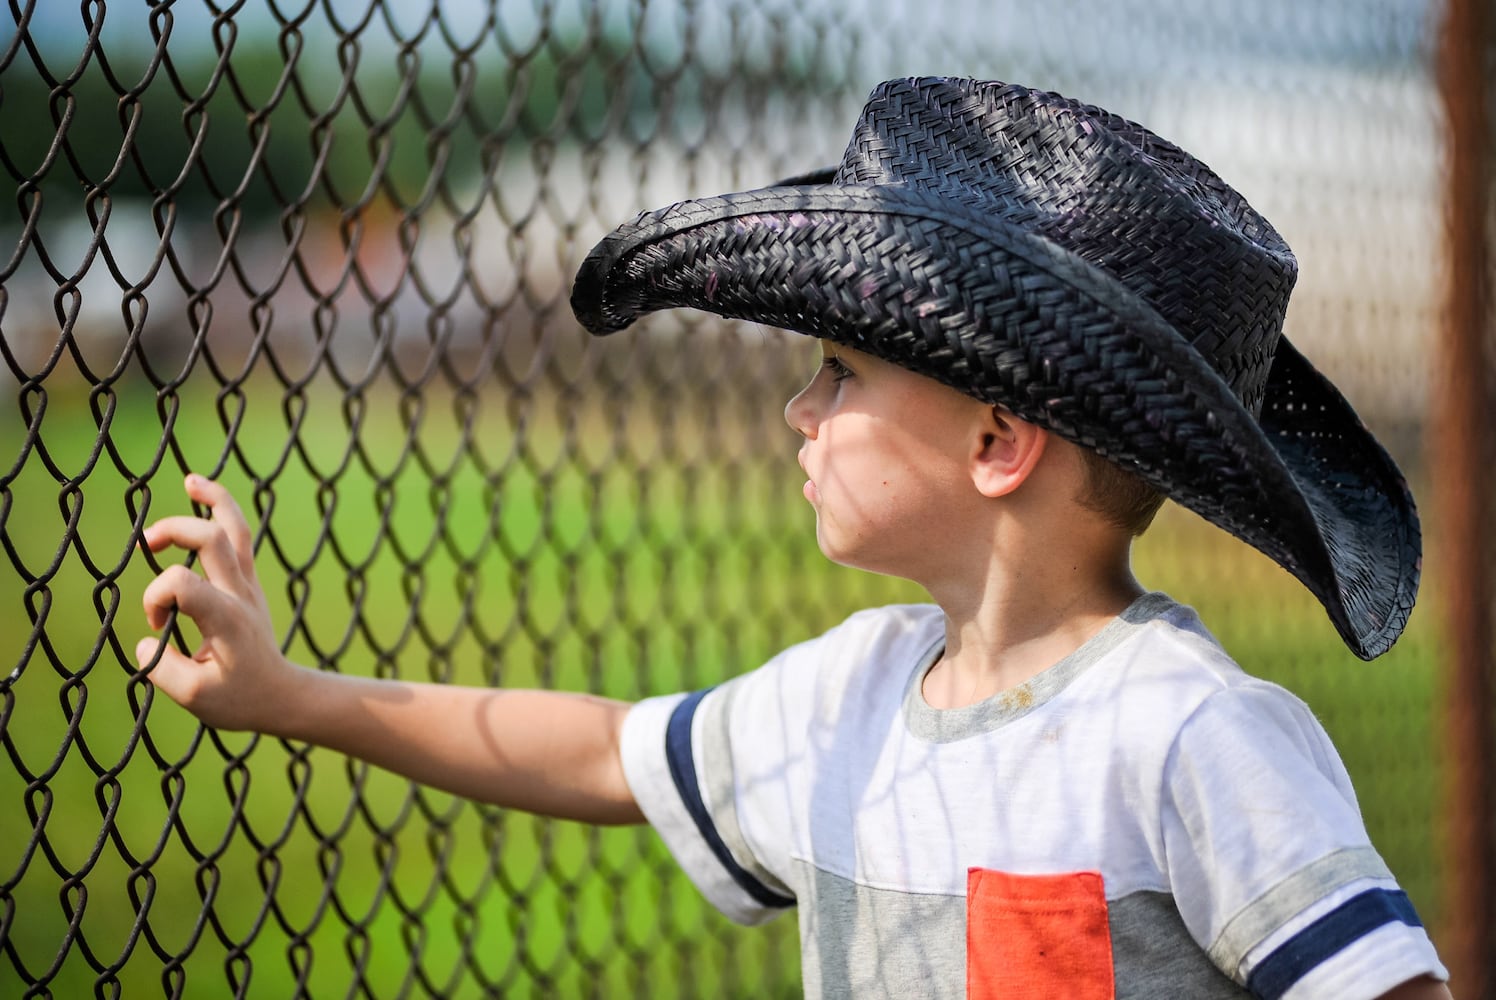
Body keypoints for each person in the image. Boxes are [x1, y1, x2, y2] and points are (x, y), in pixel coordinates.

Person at [138, 77, 1451, 999]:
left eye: (841, 376)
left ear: (999, 443)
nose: (797, 410)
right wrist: (293, 695)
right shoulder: (851, 696)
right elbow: (604, 750)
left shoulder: (1192, 733)